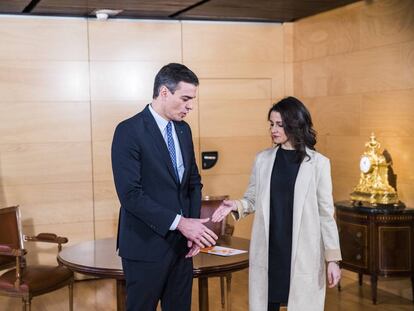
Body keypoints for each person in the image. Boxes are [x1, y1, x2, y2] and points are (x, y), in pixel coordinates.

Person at [212, 96, 342, 311]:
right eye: (271, 124)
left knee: (301, 304)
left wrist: (333, 260)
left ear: (295, 124)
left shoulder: (319, 164)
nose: (273, 129)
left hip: (303, 251)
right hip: (270, 249)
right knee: (266, 303)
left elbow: (326, 215)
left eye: (280, 124)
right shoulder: (263, 159)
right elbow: (252, 198)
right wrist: (236, 205)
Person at [111, 63, 218, 311]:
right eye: (185, 98)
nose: (190, 105)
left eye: (193, 99)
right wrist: (181, 223)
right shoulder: (129, 131)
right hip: (144, 245)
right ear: (164, 92)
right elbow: (130, 195)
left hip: (182, 247)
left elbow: (193, 182)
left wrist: (192, 227)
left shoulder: (183, 129)